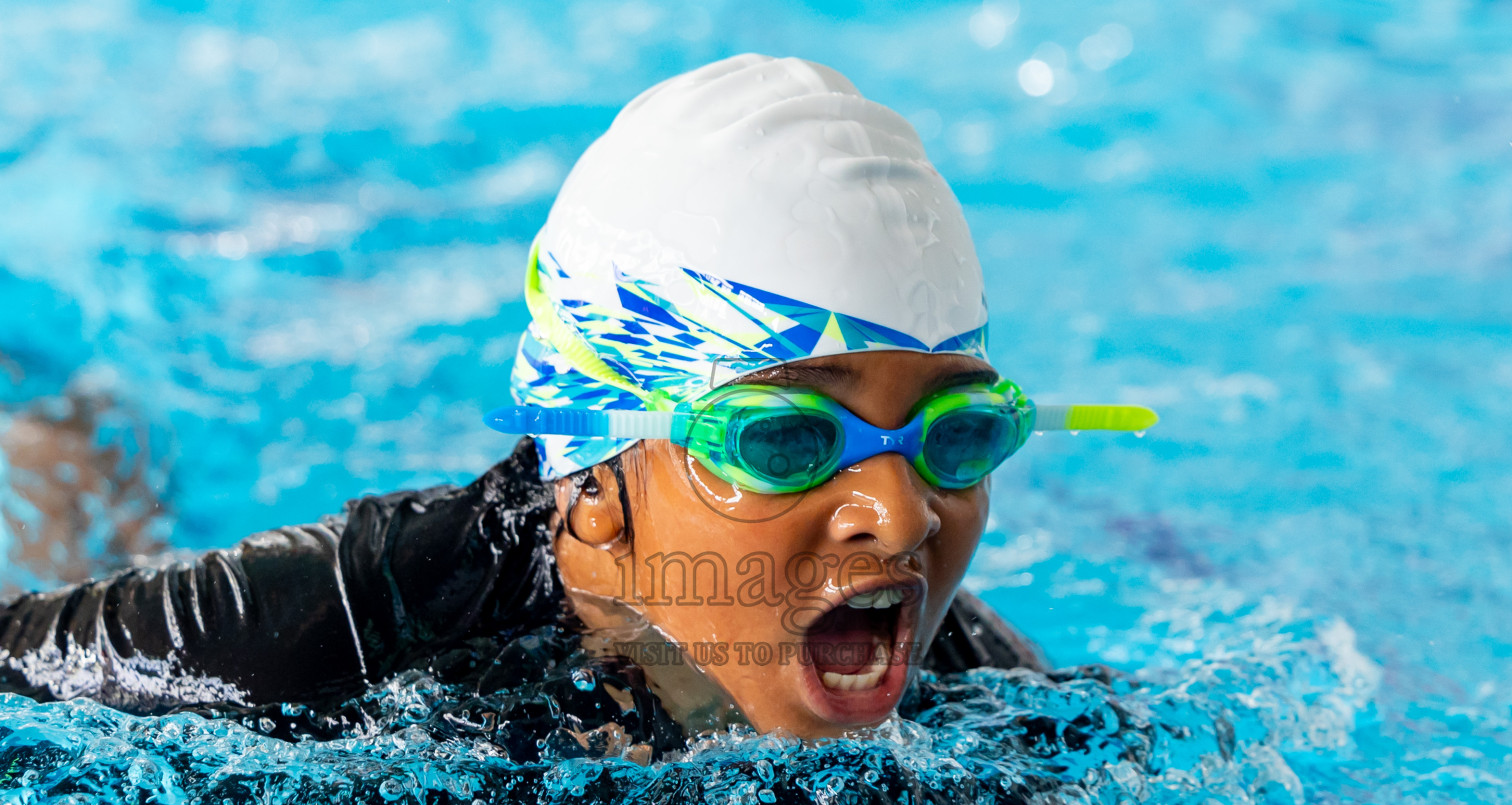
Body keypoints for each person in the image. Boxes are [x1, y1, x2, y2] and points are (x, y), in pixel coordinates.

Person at [0, 55, 1153, 757]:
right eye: (789, 438)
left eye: (957, 436)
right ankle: (55, 450)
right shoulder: (327, 631)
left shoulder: (973, 688)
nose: (898, 518)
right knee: (86, 538)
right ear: (595, 489)